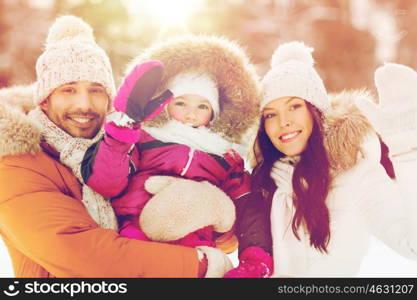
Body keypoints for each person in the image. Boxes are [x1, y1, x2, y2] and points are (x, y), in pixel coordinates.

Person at [0, 15, 232, 278]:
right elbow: (84, 255)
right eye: (68, 90)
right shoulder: (16, 163)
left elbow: (224, 239)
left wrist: (205, 203)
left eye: (96, 90)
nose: (84, 105)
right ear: (44, 100)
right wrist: (198, 264)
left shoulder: (122, 148)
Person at [227, 41, 417, 277]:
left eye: (294, 106)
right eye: (270, 114)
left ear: (315, 111)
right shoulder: (263, 183)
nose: (283, 121)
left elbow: (412, 245)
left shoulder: (357, 176)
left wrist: (407, 154)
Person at [81, 35, 262, 254]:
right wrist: (122, 134)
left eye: (202, 106)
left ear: (214, 114)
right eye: (181, 103)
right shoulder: (145, 137)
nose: (191, 114)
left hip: (194, 235)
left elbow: (245, 203)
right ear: (166, 105)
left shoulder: (224, 155)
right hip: (136, 225)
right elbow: (106, 183)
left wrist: (253, 251)